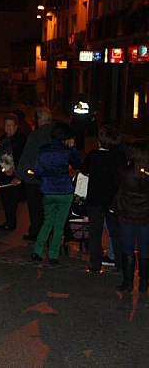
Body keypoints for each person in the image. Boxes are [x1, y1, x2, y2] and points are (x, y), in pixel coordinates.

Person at [30, 123, 82, 267]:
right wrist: (73, 148)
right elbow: (78, 165)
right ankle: (53, 256)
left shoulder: (43, 150)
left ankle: (37, 251)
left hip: (48, 190)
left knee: (47, 222)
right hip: (64, 191)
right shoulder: (67, 151)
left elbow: (38, 172)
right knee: (59, 225)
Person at [80, 125, 127, 273]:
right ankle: (119, 262)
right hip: (113, 199)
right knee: (115, 231)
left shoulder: (94, 155)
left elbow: (83, 170)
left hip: (95, 199)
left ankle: (95, 264)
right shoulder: (119, 157)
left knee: (95, 232)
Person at [13, 108, 54, 241]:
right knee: (49, 207)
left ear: (39, 120)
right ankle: (49, 232)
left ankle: (36, 232)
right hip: (52, 178)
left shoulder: (35, 135)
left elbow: (27, 156)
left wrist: (19, 175)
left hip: (35, 178)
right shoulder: (58, 133)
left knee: (35, 207)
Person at [113, 140, 149, 293]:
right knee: (145, 249)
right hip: (145, 216)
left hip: (126, 214)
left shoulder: (123, 171)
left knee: (127, 248)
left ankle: (127, 283)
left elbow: (117, 185)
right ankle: (143, 283)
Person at [0, 114, 26, 231]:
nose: (8, 128)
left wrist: (16, 171)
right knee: (6, 201)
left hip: (15, 176)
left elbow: (23, 157)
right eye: (6, 125)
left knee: (12, 202)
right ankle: (9, 222)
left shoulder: (21, 139)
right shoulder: (3, 139)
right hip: (3, 176)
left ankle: (11, 223)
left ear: (16, 126)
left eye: (11, 125)